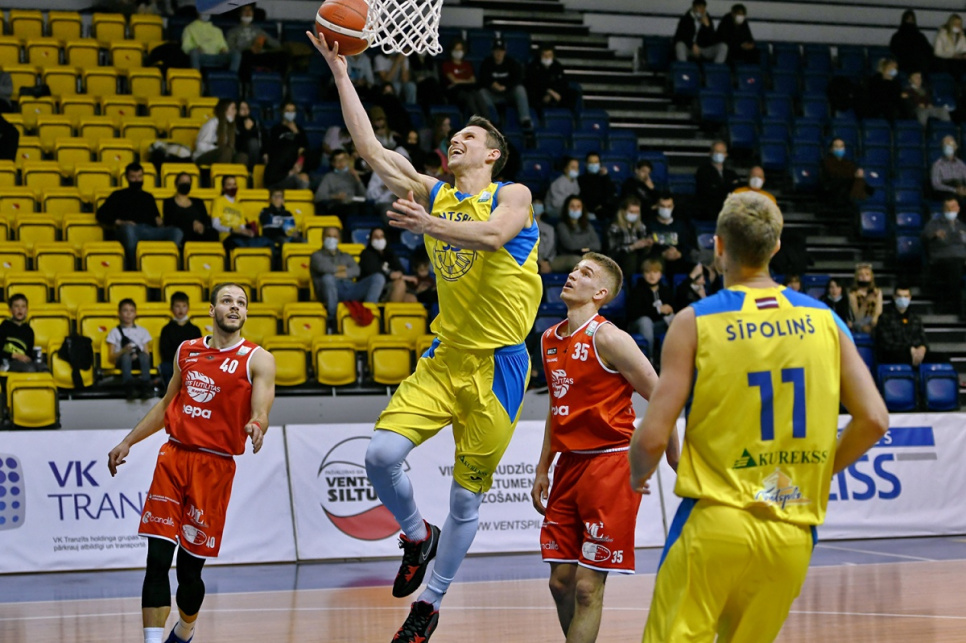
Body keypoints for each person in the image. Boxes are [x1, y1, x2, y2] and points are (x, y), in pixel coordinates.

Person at [308, 29, 542, 643]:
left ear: (492, 155)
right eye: (454, 135)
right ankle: (416, 534)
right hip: (445, 358)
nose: (456, 139)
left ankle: (430, 603)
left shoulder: (513, 195)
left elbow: (492, 237)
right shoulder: (433, 193)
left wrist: (429, 225)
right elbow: (370, 149)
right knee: (380, 456)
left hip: (500, 368)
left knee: (466, 502)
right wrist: (341, 74)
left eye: (470, 137)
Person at [629, 191, 889, 643]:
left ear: (718, 246)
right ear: (776, 246)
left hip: (715, 520)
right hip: (792, 526)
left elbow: (653, 437)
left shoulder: (694, 321)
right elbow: (875, 419)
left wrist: (637, 474)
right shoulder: (827, 320)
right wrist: (820, 471)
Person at [107, 283, 276, 643]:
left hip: (214, 468)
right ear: (212, 310)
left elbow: (262, 407)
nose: (235, 307)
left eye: (241, 303)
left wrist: (257, 424)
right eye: (227, 301)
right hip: (173, 458)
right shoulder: (186, 350)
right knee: (156, 559)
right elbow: (167, 404)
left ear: (246, 313)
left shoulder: (257, 358)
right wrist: (128, 441)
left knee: (188, 572)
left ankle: (185, 629)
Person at [530, 253, 677, 643]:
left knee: (586, 587)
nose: (572, 275)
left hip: (611, 464)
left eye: (585, 273)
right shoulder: (548, 338)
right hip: (568, 466)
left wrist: (673, 454)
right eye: (574, 269)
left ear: (601, 293)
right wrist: (543, 467)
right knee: (560, 583)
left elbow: (663, 396)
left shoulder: (609, 338)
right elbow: (557, 407)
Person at [97, 163, 184, 270]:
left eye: (139, 176)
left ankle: (164, 262)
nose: (137, 180)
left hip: (149, 230)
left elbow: (156, 218)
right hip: (130, 230)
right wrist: (121, 222)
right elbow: (101, 214)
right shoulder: (118, 195)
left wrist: (160, 222)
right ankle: (135, 266)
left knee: (176, 231)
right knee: (129, 230)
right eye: (133, 177)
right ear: (127, 178)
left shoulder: (148, 197)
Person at [310, 226, 386, 320]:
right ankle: (333, 319)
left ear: (339, 239)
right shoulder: (316, 256)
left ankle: (368, 313)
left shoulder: (346, 256)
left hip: (350, 289)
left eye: (335, 236)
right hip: (328, 291)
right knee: (327, 278)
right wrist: (343, 269)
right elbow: (325, 268)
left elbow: (356, 270)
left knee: (378, 278)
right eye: (328, 236)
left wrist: (336, 272)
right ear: (323, 238)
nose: (331, 239)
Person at [922, 195, 966, 315]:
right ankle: (958, 309)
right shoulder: (934, 223)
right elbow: (925, 236)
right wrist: (935, 234)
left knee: (957, 266)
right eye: (947, 208)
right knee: (955, 268)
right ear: (943, 209)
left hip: (962, 260)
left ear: (958, 208)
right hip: (942, 260)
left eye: (953, 207)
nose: (950, 210)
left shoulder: (963, 226)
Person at [477, 39, 533, 131]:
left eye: (501, 51)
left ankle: (525, 119)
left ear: (505, 52)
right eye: (496, 51)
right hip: (493, 94)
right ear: (492, 52)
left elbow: (518, 78)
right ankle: (494, 120)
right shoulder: (486, 63)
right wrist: (492, 84)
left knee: (520, 89)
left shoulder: (511, 62)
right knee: (482, 92)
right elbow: (482, 79)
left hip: (508, 94)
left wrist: (506, 86)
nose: (499, 53)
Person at [107, 298, 154, 400]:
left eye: (131, 311)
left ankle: (146, 386)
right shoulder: (114, 332)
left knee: (144, 356)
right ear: (119, 313)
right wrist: (123, 351)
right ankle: (129, 387)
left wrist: (137, 355)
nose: (128, 314)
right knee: (126, 357)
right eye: (125, 310)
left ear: (135, 313)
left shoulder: (142, 331)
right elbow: (111, 356)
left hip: (138, 359)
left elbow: (146, 353)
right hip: (122, 360)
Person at [627, 258, 675, 359]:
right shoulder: (637, 290)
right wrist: (658, 310)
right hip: (638, 325)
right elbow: (634, 313)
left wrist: (670, 311)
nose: (652, 276)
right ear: (643, 274)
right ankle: (649, 359)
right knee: (646, 321)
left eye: (655, 272)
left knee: (676, 320)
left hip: (658, 325)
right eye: (648, 272)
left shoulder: (666, 290)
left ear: (660, 274)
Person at [211, 176, 274, 252]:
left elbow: (242, 226)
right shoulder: (218, 201)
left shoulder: (239, 205)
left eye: (234, 184)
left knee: (268, 242)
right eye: (229, 185)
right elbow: (215, 224)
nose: (232, 187)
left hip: (241, 236)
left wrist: (248, 232)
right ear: (224, 188)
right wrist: (232, 230)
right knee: (240, 245)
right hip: (228, 236)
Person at [226, 4, 285, 83]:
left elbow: (277, 44)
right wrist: (249, 47)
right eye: (245, 10)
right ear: (240, 13)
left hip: (260, 55)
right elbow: (231, 48)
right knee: (246, 55)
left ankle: (280, 83)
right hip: (246, 56)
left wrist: (265, 40)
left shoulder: (258, 30)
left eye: (250, 10)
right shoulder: (233, 31)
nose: (248, 13)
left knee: (283, 55)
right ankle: (246, 85)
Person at [875, 285, 930, 366]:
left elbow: (923, 339)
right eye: (899, 296)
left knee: (941, 358)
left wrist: (922, 348)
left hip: (914, 353)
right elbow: (886, 344)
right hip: (892, 356)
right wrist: (909, 349)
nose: (902, 299)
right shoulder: (885, 317)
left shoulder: (915, 318)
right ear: (894, 297)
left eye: (905, 296)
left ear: (910, 297)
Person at [157, 291, 201, 388]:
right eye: (177, 306)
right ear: (171, 308)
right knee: (166, 367)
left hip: (190, 361)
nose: (181, 309)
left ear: (188, 308)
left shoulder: (195, 330)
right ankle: (172, 394)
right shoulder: (166, 329)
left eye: (184, 306)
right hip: (172, 362)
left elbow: (198, 350)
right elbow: (164, 350)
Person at [263, 102, 311, 191]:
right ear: (282, 112)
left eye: (292, 111)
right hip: (279, 170)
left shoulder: (299, 130)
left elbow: (304, 148)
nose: (290, 113)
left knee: (304, 178)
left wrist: (296, 131)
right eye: (288, 111)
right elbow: (272, 149)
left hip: (294, 167)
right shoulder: (276, 129)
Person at [647, 193, 696, 278]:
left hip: (678, 259)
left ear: (673, 207)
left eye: (669, 206)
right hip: (657, 260)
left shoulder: (681, 225)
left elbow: (687, 245)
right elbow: (646, 247)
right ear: (656, 206)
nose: (666, 209)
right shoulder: (649, 225)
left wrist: (679, 253)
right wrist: (662, 254)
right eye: (662, 206)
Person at [181, 7, 241, 73]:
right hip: (202, 56)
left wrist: (223, 49)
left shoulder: (217, 30)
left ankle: (231, 77)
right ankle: (196, 76)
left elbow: (223, 46)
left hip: (218, 56)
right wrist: (196, 48)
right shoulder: (189, 28)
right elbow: (186, 46)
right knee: (194, 52)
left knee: (236, 54)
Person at [163, 172, 219, 243]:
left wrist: (201, 226)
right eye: (183, 181)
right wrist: (191, 224)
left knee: (213, 233)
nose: (185, 184)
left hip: (198, 233)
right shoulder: (169, 202)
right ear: (176, 184)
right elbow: (169, 222)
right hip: (181, 232)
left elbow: (205, 220)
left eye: (188, 182)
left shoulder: (198, 202)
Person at [441, 39, 489, 119]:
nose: (458, 52)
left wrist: (460, 82)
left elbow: (473, 80)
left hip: (468, 89)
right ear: (451, 51)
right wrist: (466, 81)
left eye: (460, 49)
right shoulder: (447, 65)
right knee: (469, 97)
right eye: (456, 49)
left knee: (477, 94)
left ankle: (487, 119)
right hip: (455, 92)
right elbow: (454, 80)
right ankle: (477, 119)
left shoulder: (467, 64)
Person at [359, 227, 409, 303]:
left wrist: (399, 274)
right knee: (400, 285)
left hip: (388, 287)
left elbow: (400, 269)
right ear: (370, 239)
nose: (379, 239)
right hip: (373, 289)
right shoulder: (366, 254)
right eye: (376, 237)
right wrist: (390, 275)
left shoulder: (390, 253)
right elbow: (373, 273)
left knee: (411, 299)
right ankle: (389, 311)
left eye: (381, 236)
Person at [820, 138, 871, 213]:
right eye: (836, 146)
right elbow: (829, 181)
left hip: (847, 197)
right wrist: (852, 177)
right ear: (831, 149)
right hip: (832, 194)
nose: (839, 149)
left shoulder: (849, 164)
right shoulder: (826, 163)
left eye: (841, 146)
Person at [694, 140, 740, 221]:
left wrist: (720, 187)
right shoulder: (703, 171)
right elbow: (708, 192)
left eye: (721, 152)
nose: (719, 154)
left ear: (726, 154)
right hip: (709, 210)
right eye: (716, 151)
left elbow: (735, 191)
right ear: (710, 153)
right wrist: (727, 186)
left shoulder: (731, 174)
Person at [314, 149, 367, 220]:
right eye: (338, 161)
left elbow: (364, 195)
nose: (341, 163)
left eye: (343, 160)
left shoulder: (353, 175)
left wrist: (357, 178)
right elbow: (318, 197)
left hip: (354, 204)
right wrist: (335, 196)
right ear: (333, 163)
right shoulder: (329, 177)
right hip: (337, 206)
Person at [607, 196, 652, 278]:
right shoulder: (614, 228)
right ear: (623, 211)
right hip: (620, 257)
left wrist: (648, 244)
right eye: (631, 211)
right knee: (631, 257)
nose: (634, 214)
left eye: (637, 212)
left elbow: (644, 244)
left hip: (638, 255)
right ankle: (629, 281)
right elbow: (612, 249)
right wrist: (632, 247)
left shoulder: (641, 226)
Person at [193, 99, 247, 166]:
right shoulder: (211, 124)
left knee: (242, 157)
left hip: (223, 154)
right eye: (233, 109)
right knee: (226, 151)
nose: (235, 112)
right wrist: (217, 149)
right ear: (224, 110)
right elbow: (200, 146)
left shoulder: (230, 126)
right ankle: (222, 172)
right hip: (203, 156)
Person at [0, 294, 46, 373]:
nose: (20, 309)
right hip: (8, 361)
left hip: (24, 362)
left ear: (26, 310)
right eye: (16, 306)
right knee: (29, 369)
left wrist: (32, 357)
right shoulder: (4, 326)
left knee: (44, 368)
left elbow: (29, 354)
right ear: (10, 310)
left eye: (23, 306)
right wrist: (14, 355)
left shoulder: (29, 330)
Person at [555, 196, 601, 273]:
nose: (575, 209)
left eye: (578, 206)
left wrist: (581, 249)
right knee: (579, 261)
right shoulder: (562, 226)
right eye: (572, 206)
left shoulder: (588, 226)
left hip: (586, 256)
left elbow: (597, 245)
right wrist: (587, 246)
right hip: (567, 257)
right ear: (567, 208)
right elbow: (570, 245)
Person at [526, 44, 573, 114]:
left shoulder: (557, 66)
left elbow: (563, 82)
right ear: (540, 55)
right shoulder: (533, 66)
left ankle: (567, 115)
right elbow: (533, 83)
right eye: (544, 55)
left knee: (572, 93)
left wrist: (554, 93)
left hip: (555, 94)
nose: (547, 58)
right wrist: (549, 92)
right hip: (539, 94)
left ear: (553, 56)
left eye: (549, 55)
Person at [890, 9, 934, 75]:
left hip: (919, 64)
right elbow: (894, 51)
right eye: (908, 19)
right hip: (903, 64)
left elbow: (928, 50)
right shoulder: (897, 37)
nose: (910, 22)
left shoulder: (920, 36)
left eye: (912, 20)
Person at [577, 151, 615, 220]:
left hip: (604, 211)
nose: (594, 164)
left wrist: (606, 177)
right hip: (588, 212)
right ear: (586, 164)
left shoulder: (604, 178)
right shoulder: (580, 180)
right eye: (591, 162)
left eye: (596, 162)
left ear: (600, 164)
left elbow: (610, 194)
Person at [848, 263, 883, 334]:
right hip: (860, 322)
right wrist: (865, 302)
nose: (864, 277)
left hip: (874, 322)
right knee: (864, 327)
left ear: (871, 277)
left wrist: (874, 321)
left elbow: (878, 312)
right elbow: (857, 318)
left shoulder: (877, 292)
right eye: (861, 275)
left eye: (867, 275)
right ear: (857, 277)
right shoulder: (853, 294)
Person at [868, 58, 904, 122]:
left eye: (895, 68)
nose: (894, 70)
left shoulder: (896, 83)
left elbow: (897, 97)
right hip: (878, 107)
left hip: (892, 108)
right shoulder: (876, 79)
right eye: (891, 67)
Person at [930, 136, 966, 201]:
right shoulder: (937, 165)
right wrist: (955, 190)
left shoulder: (961, 164)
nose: (948, 148)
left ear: (955, 148)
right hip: (946, 193)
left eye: (950, 146)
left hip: (960, 188)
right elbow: (936, 185)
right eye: (945, 146)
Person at [235, 100, 263, 169]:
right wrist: (247, 130)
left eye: (247, 108)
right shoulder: (235, 124)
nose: (245, 110)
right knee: (253, 143)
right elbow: (238, 145)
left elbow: (263, 138)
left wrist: (265, 153)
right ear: (237, 111)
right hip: (240, 153)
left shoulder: (256, 123)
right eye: (242, 108)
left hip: (257, 155)